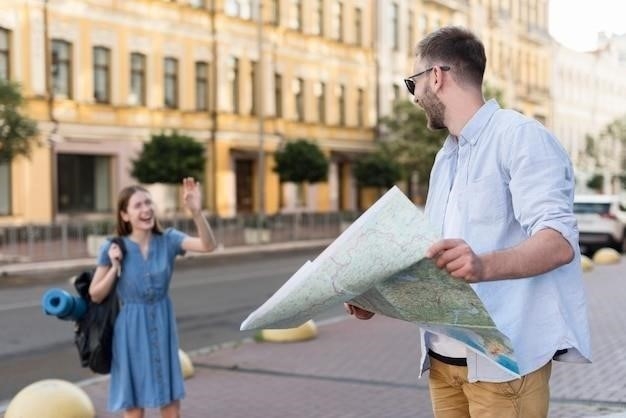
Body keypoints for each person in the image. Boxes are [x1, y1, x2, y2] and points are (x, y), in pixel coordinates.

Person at [346, 26, 591, 418]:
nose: (416, 97)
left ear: (437, 77)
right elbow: (437, 256)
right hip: (443, 361)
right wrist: (376, 293)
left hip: (503, 369)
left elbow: (559, 240)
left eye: (414, 83)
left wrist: (483, 265)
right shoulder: (447, 156)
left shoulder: (520, 137)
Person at [89, 177, 217, 418]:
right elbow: (95, 294)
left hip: (162, 323)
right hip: (129, 330)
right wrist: (115, 266)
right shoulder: (113, 247)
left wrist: (197, 213)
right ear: (125, 215)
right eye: (138, 205)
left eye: (148, 203)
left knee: (170, 404)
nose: (146, 209)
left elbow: (208, 245)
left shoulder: (169, 239)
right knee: (135, 408)